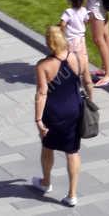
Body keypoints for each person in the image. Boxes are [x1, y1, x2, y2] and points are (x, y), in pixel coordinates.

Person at [29, 25, 93, 207]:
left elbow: (42, 94)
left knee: (47, 146)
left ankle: (45, 182)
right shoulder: (79, 58)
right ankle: (72, 194)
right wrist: (90, 103)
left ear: (49, 43)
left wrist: (38, 119)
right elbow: (88, 82)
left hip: (54, 112)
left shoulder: (43, 66)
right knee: (72, 151)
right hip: (75, 109)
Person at [59, 0, 90, 74]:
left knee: (70, 57)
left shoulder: (68, 12)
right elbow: (87, 21)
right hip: (81, 39)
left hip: (70, 40)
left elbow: (62, 24)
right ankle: (83, 71)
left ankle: (71, 72)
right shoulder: (84, 10)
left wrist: (61, 32)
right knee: (82, 56)